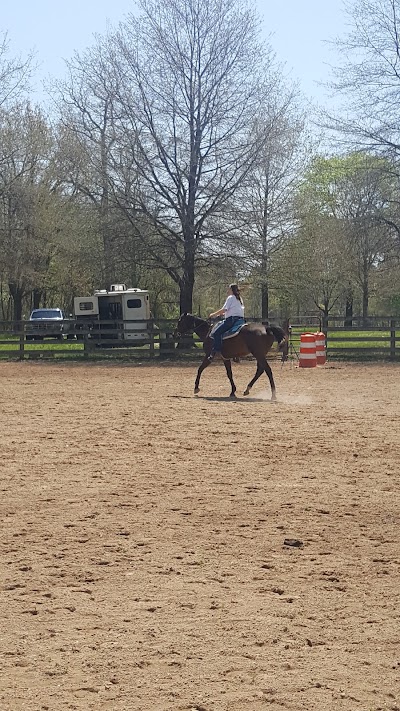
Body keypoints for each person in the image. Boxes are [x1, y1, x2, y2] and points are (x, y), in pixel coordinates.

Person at [207, 283, 245, 360]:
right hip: (240, 320)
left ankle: (216, 351)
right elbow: (233, 310)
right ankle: (235, 354)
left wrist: (213, 314)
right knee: (230, 335)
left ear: (231, 290)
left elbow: (224, 309)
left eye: (228, 289)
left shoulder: (230, 297)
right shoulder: (239, 298)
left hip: (231, 320)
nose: (227, 291)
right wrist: (222, 314)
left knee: (216, 333)